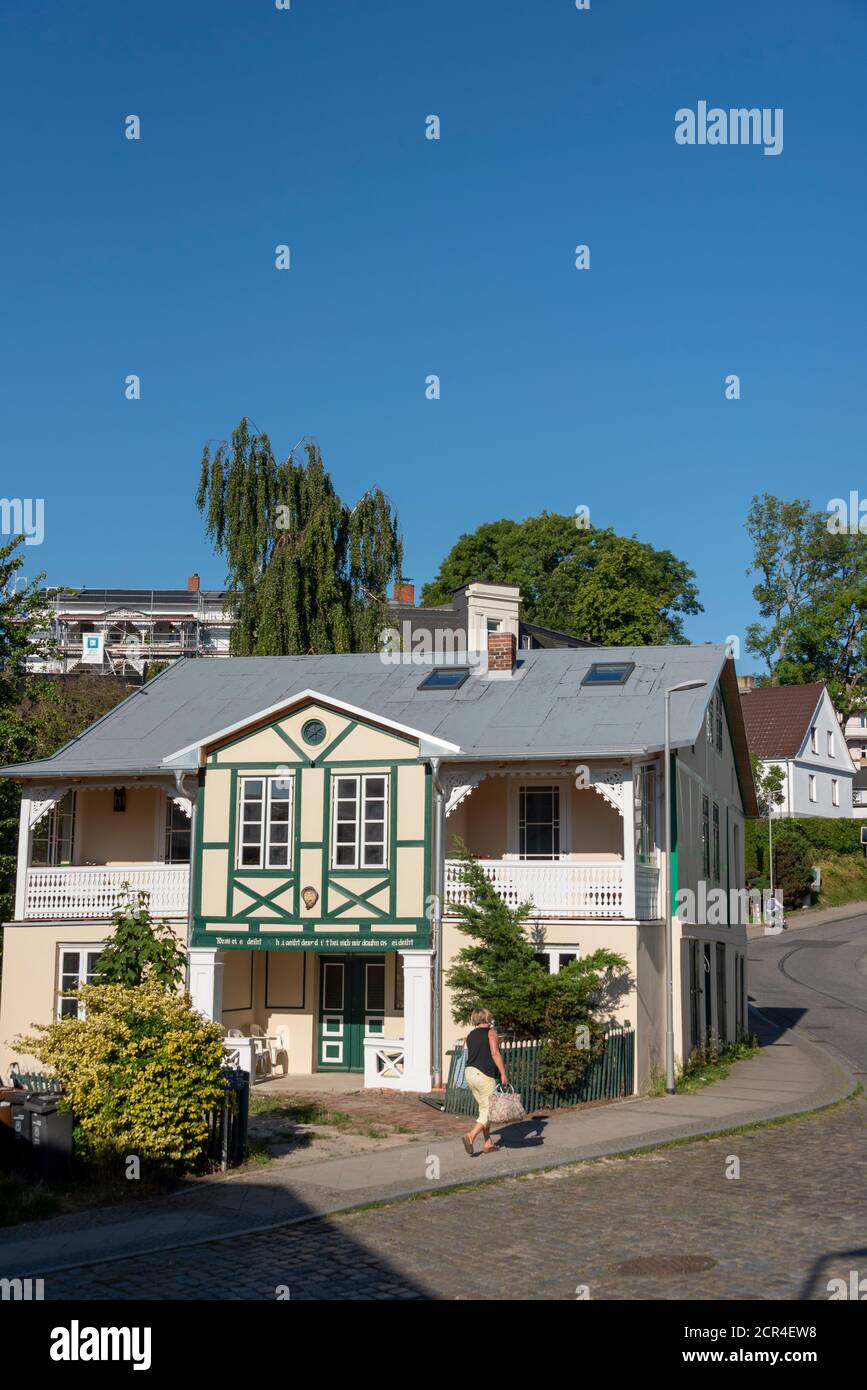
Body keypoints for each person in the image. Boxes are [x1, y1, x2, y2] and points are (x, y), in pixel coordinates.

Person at [461, 1008, 508, 1156]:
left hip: (470, 1073)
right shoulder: (491, 1032)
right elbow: (494, 1053)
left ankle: (488, 1143)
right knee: (489, 1110)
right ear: (487, 1018)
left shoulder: (470, 1035)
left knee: (484, 1109)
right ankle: (471, 1136)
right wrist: (503, 1073)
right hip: (484, 1075)